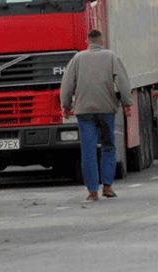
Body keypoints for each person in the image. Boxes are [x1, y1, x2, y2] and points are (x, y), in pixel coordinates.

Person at [59, 29, 133, 201]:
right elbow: (122, 81)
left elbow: (67, 84)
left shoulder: (77, 59)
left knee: (89, 150)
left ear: (87, 41)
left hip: (84, 111)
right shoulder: (111, 56)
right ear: (102, 41)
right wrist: (127, 103)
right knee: (108, 146)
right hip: (106, 109)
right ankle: (107, 186)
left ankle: (92, 191)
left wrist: (66, 106)